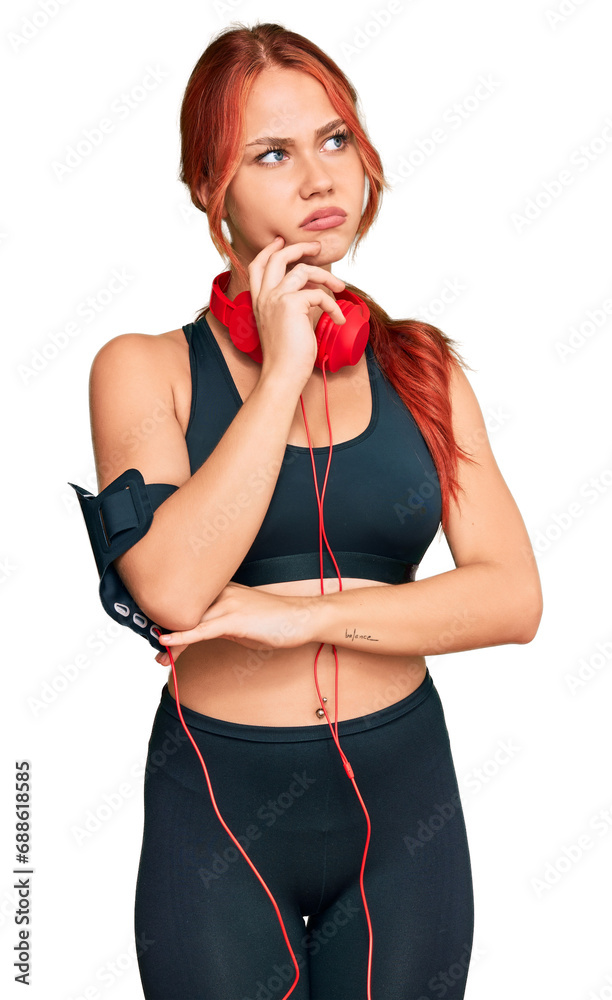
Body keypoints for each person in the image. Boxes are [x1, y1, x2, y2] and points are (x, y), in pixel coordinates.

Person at [84, 21, 543, 1000]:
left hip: (403, 806)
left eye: (335, 140)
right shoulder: (144, 370)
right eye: (272, 153)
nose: (317, 178)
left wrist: (304, 616)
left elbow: (513, 598)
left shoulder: (421, 366)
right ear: (214, 191)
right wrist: (284, 369)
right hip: (220, 811)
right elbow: (168, 585)